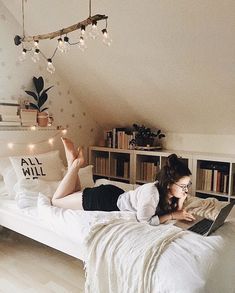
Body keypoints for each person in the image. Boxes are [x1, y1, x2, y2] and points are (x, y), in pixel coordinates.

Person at [52, 137, 195, 225]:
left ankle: (72, 162)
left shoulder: (169, 193)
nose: (186, 190)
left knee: (75, 193)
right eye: (183, 186)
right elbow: (145, 220)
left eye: (187, 185)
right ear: (169, 183)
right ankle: (76, 164)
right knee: (56, 201)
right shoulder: (152, 194)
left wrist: (181, 201)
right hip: (104, 201)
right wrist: (171, 215)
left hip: (116, 196)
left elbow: (177, 212)